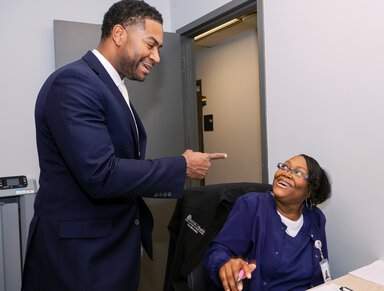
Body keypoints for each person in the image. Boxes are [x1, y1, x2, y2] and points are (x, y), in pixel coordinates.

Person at [22, 1, 226, 290]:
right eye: (151, 44)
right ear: (119, 34)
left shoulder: (111, 86)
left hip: (109, 248)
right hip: (79, 258)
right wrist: (181, 167)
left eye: (159, 49)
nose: (156, 57)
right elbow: (101, 174)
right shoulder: (74, 83)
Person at [204, 154, 331, 291]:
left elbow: (321, 275)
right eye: (284, 166)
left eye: (298, 172)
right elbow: (218, 251)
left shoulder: (316, 218)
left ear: (310, 190)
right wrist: (225, 265)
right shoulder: (251, 206)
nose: (286, 173)